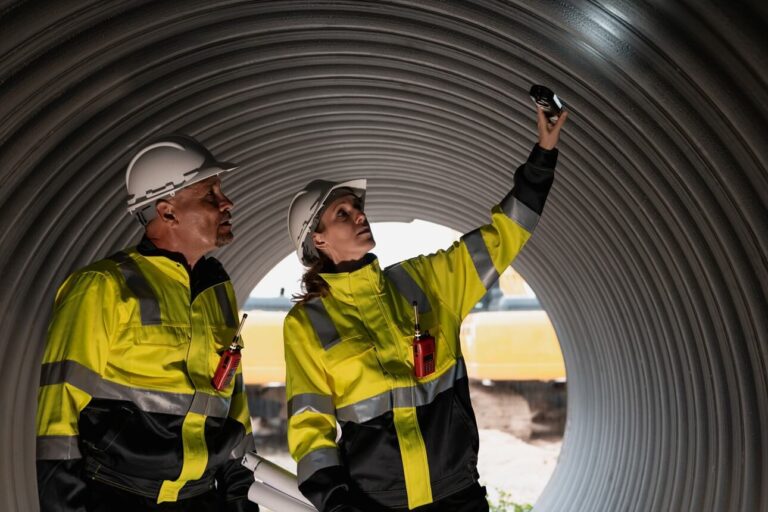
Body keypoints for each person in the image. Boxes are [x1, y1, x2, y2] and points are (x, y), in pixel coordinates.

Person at [283, 107, 567, 512]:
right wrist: (336, 503)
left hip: (457, 494)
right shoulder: (307, 324)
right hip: (380, 504)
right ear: (319, 241)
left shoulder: (424, 281)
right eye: (342, 214)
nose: (360, 214)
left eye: (357, 207)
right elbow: (310, 426)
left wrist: (543, 155)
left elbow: (501, 237)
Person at [35, 135, 259, 512]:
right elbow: (59, 411)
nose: (227, 203)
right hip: (119, 497)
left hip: (199, 498)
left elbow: (231, 400)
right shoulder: (103, 286)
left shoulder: (217, 289)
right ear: (167, 212)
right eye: (210, 194)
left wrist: (240, 493)